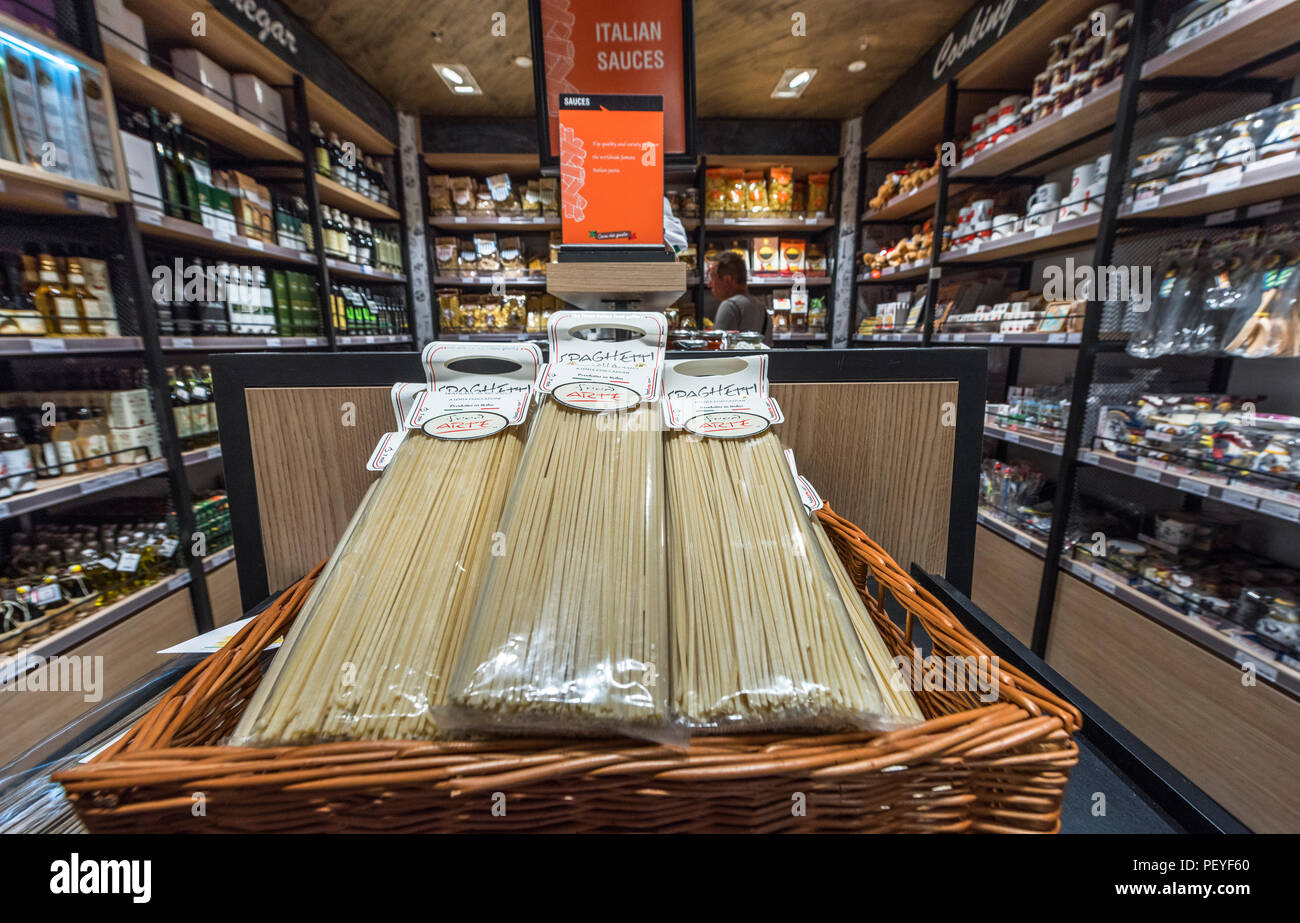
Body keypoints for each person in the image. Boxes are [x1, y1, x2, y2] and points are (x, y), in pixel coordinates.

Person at [710, 251, 768, 333]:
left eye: (713, 278)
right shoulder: (762, 309)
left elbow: (719, 344)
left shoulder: (730, 306)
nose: (709, 284)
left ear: (727, 280)